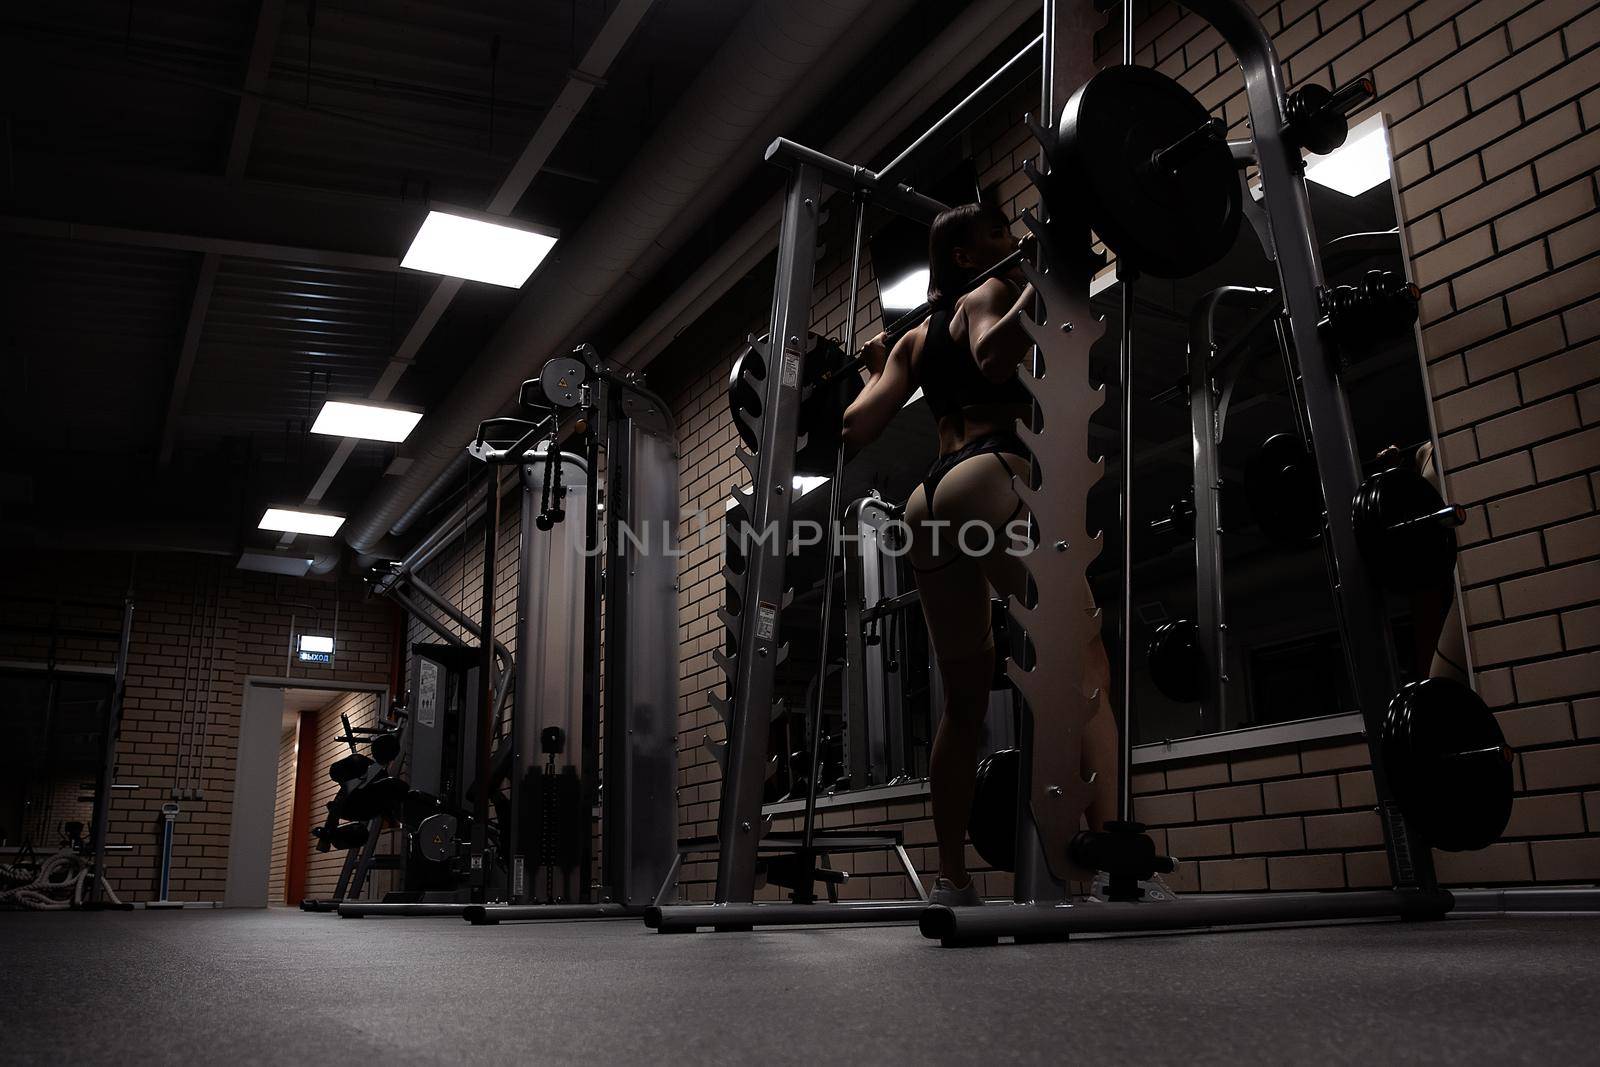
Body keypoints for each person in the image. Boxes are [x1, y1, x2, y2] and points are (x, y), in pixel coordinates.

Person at [841, 200, 1120, 907]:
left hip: (926, 504)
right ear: (967, 255)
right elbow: (997, 358)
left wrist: (876, 368)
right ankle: (1117, 861)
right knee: (1084, 661)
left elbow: (856, 423)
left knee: (963, 702)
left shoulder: (911, 340)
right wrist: (1043, 267)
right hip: (989, 474)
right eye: (998, 234)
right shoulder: (988, 289)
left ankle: (952, 880)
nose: (1010, 240)